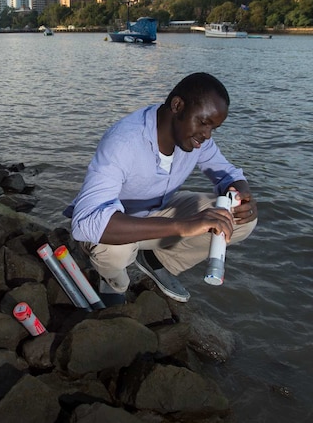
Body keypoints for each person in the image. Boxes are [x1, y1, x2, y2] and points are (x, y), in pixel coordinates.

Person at [65, 72, 258, 305]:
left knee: (239, 220)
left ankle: (156, 260)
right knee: (117, 253)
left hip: (157, 218)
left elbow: (227, 174)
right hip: (116, 229)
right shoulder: (124, 142)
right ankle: (114, 283)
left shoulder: (196, 139)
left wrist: (241, 193)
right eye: (204, 123)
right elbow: (86, 222)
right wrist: (184, 225)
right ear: (177, 106)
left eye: (213, 129)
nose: (207, 135)